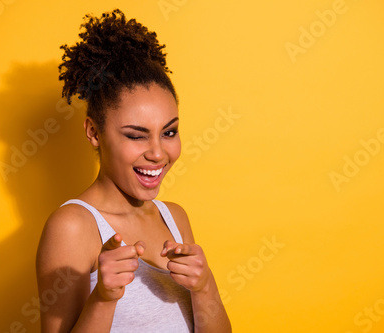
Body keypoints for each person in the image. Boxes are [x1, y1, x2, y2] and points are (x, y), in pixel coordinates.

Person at [36, 9, 231, 333]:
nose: (157, 153)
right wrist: (103, 298)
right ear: (94, 132)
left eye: (169, 132)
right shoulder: (72, 227)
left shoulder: (175, 218)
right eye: (136, 135)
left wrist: (205, 287)